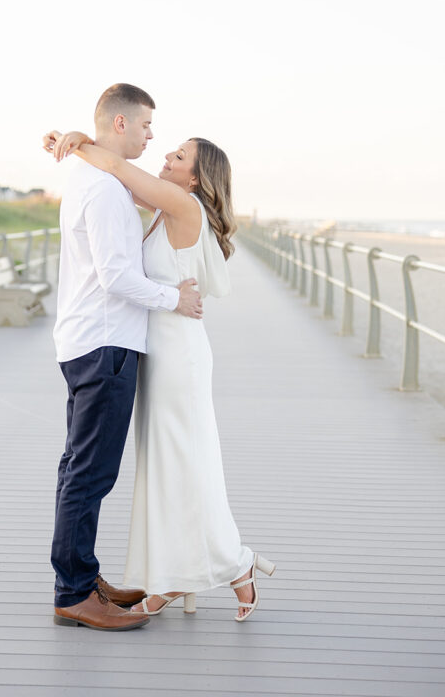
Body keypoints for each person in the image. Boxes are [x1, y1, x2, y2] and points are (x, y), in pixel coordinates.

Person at [45, 126, 276, 622]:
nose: (166, 156)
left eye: (178, 156)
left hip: (178, 356)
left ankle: (233, 563)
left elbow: (119, 168)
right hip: (156, 352)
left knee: (184, 463)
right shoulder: (163, 210)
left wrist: (80, 144)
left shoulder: (181, 206)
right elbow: (117, 176)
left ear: (195, 179)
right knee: (164, 465)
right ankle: (176, 574)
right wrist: (83, 140)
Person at [48, 83, 204, 632]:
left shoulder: (94, 177)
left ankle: (83, 577)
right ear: (119, 125)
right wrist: (175, 299)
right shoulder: (108, 190)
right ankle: (73, 592)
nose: (150, 135)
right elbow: (117, 277)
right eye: (144, 126)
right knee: (90, 473)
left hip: (86, 340)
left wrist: (78, 143)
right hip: (106, 344)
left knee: (79, 468)